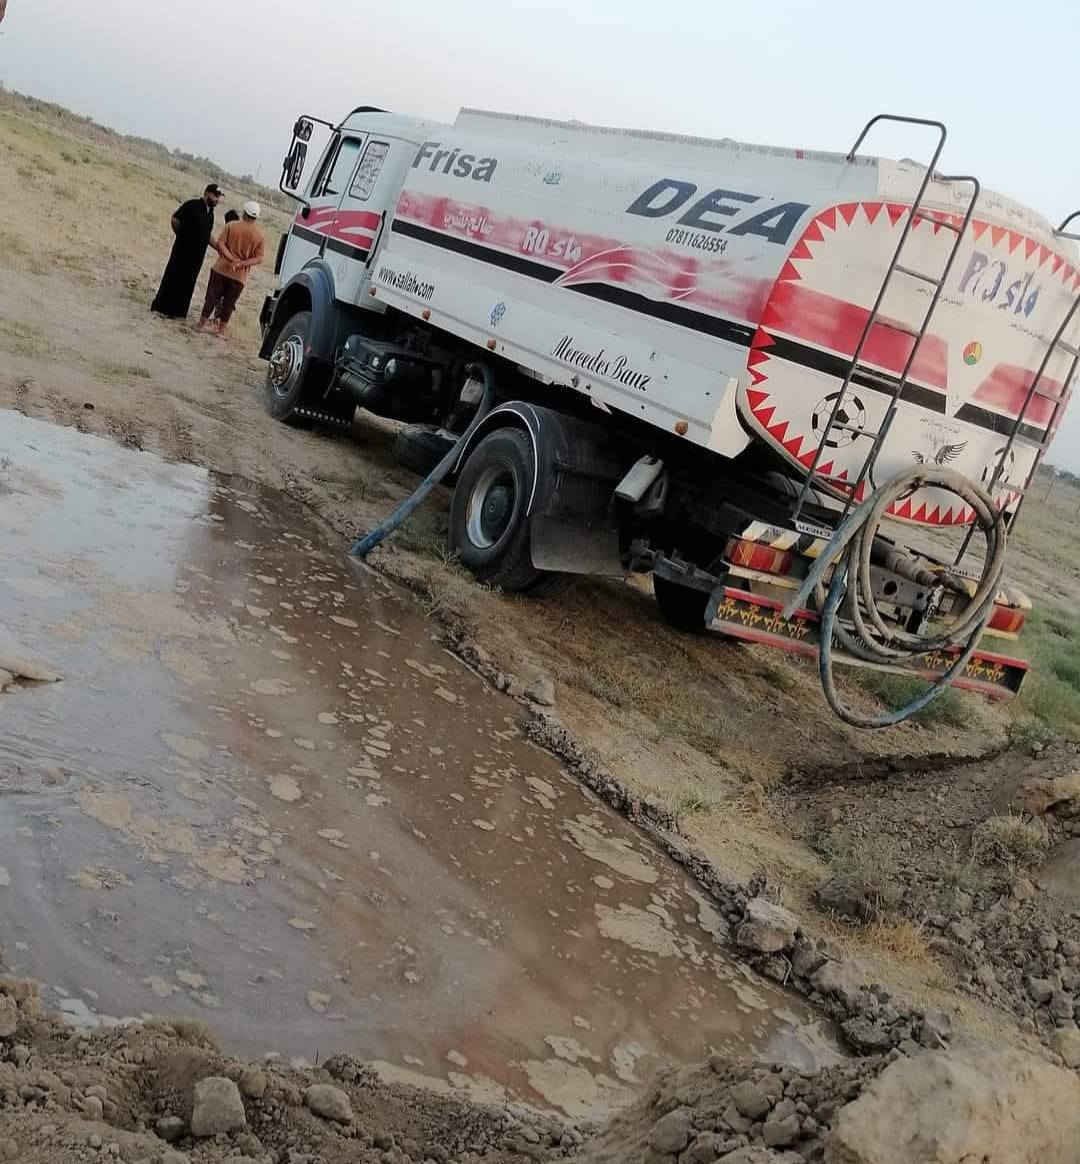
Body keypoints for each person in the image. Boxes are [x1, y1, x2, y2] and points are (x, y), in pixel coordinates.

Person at [150, 183, 223, 319]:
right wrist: (182, 235)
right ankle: (162, 308)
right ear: (207, 193)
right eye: (215, 196)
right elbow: (175, 219)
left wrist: (220, 248)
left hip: (197, 257)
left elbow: (207, 235)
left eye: (219, 197)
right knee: (173, 277)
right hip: (182, 252)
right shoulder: (192, 205)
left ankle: (178, 312)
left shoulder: (210, 214)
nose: (217, 200)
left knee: (188, 282)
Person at [198, 200, 265, 336]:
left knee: (211, 298)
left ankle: (201, 324)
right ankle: (221, 331)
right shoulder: (260, 236)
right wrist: (241, 263)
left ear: (244, 212)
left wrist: (231, 258)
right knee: (229, 304)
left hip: (220, 269)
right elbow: (259, 258)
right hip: (239, 276)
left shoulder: (231, 226)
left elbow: (220, 244)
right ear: (256, 217)